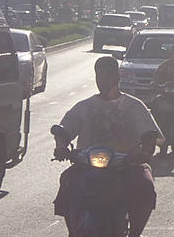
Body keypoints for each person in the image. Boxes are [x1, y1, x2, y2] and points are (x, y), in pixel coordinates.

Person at [53, 55, 161, 237]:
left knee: (145, 186)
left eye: (108, 76)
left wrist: (144, 152)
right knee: (67, 181)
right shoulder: (85, 106)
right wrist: (61, 146)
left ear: (117, 77)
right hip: (87, 165)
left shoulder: (134, 106)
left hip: (127, 165)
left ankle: (135, 233)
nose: (103, 81)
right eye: (99, 76)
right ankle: (73, 230)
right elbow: (64, 129)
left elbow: (149, 133)